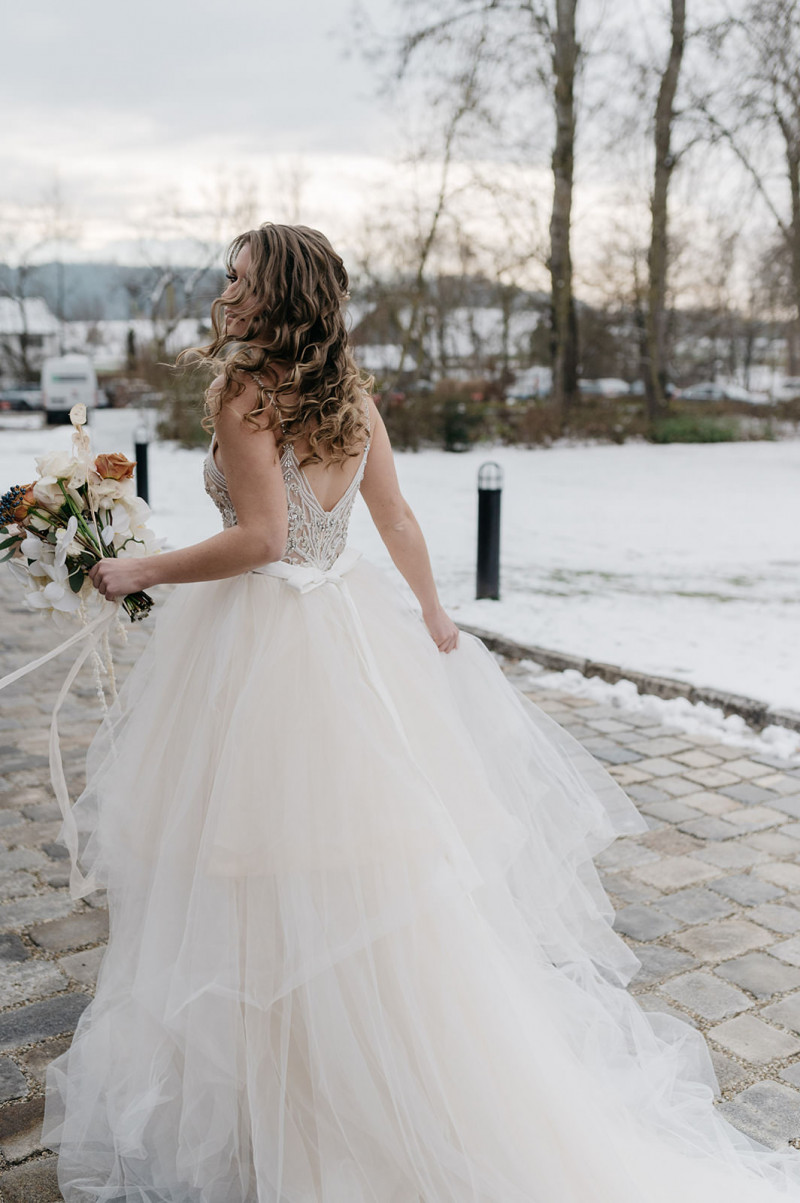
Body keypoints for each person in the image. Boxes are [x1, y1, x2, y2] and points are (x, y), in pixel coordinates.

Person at [40, 223, 800, 1202]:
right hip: (347, 633)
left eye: (236, 275)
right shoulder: (347, 393)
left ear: (274, 294)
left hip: (267, 642)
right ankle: (356, 1069)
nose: (221, 286)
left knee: (255, 861)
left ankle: (295, 1095)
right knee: (357, 865)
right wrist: (429, 613)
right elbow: (392, 518)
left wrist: (143, 565)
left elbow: (264, 539)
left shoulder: (243, 393)